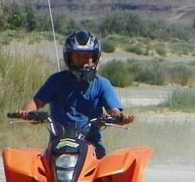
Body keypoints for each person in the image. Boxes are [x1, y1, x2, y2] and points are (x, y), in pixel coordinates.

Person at [17, 30, 134, 158]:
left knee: (111, 173)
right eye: (77, 56)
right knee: (33, 172)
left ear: (95, 58)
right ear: (69, 58)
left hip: (92, 148)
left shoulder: (102, 84)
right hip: (58, 146)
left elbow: (113, 110)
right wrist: (28, 113)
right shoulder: (56, 80)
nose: (83, 61)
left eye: (86, 56)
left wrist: (120, 117)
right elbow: (36, 101)